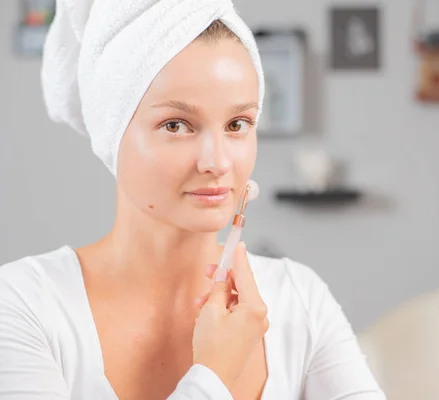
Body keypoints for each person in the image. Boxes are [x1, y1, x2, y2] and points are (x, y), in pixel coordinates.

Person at [0, 0, 385, 399]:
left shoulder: (300, 298)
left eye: (238, 124)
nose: (217, 162)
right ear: (111, 132)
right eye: (177, 125)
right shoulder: (24, 306)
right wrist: (215, 374)